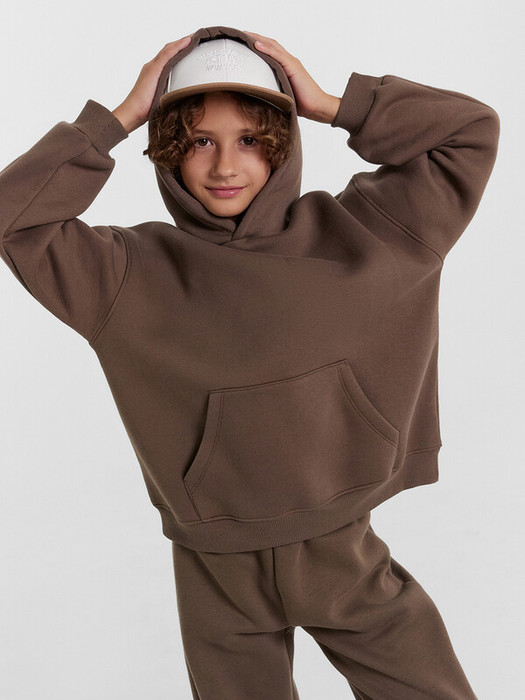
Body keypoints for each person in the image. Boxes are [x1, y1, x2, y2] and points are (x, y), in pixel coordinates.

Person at [0, 25, 499, 700]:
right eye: (199, 141)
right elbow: (12, 218)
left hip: (342, 553)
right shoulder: (126, 275)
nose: (225, 166)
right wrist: (119, 119)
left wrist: (333, 104)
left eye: (250, 140)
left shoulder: (367, 233)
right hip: (215, 573)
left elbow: (469, 132)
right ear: (168, 148)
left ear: (283, 142)